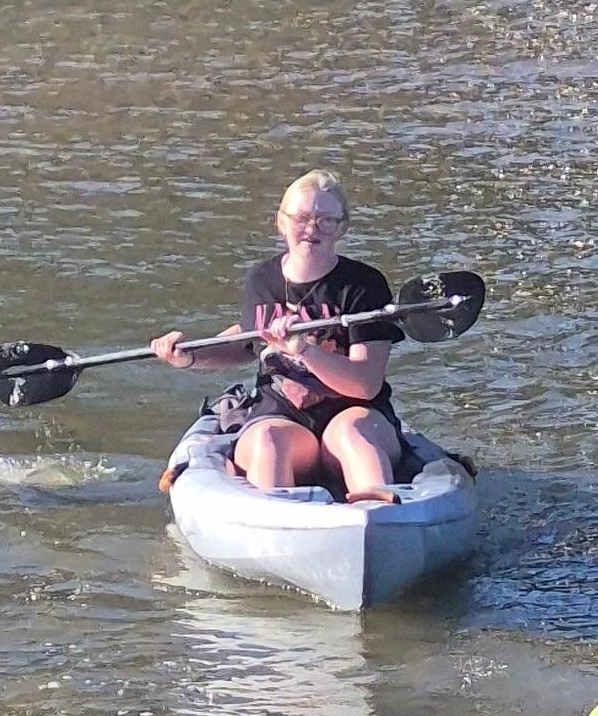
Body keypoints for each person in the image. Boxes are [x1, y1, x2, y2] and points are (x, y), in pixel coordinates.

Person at [154, 174, 410, 504]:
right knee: (269, 440)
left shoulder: (363, 285)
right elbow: (246, 343)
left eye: (325, 220)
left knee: (353, 436)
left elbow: (365, 385)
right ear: (281, 222)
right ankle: (276, 532)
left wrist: (304, 350)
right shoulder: (261, 280)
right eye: (301, 218)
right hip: (280, 411)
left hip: (353, 410)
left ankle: (378, 520)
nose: (312, 229)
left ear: (342, 227)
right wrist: (189, 355)